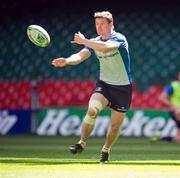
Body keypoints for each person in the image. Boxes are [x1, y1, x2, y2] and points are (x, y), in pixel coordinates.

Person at [52, 11, 132, 163]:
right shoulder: (94, 41)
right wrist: (67, 60)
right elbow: (80, 55)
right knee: (92, 109)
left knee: (115, 126)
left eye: (102, 24)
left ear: (111, 24)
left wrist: (85, 41)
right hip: (105, 85)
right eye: (97, 24)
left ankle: (105, 150)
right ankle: (81, 143)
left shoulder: (119, 38)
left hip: (123, 88)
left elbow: (105, 48)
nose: (99, 27)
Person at [151, 72, 180, 143]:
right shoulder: (174, 86)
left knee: (178, 139)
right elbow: (162, 97)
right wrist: (173, 106)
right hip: (176, 112)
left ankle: (162, 137)